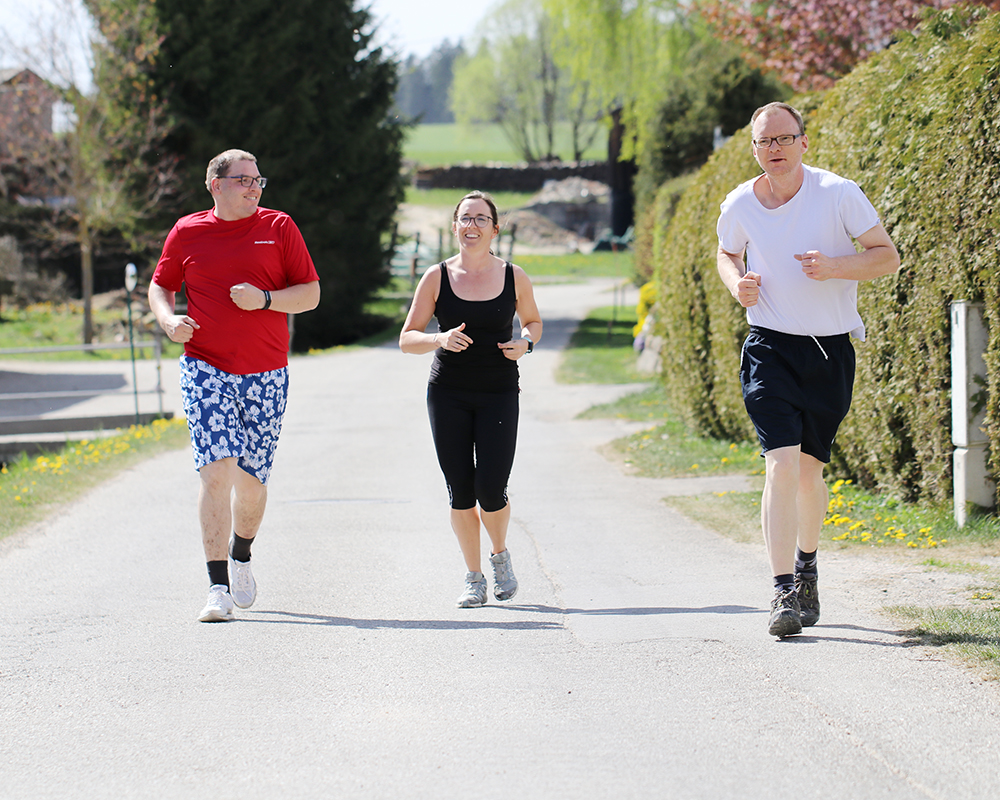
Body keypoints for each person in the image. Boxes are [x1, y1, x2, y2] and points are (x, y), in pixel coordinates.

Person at [715, 103, 900, 638]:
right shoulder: (740, 203)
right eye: (763, 141)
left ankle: (807, 564)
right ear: (754, 149)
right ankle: (781, 592)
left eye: (783, 138)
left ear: (803, 142)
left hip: (828, 351)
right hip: (768, 345)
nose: (774, 148)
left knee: (810, 473)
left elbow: (887, 256)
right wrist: (737, 284)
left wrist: (835, 268)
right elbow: (727, 253)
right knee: (781, 464)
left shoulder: (838, 193)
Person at [148, 149, 320, 622]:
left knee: (251, 484)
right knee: (216, 471)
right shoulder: (188, 231)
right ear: (215, 185)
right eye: (243, 179)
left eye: (258, 179)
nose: (254, 187)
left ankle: (241, 552)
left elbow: (310, 294)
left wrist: (264, 299)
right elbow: (160, 285)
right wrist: (167, 320)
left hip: (266, 373)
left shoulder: (279, 228)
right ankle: (217, 587)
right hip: (205, 366)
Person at [400, 190, 542, 607]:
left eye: (481, 219)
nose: (472, 226)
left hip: (499, 391)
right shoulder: (436, 277)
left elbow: (533, 322)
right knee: (460, 489)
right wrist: (438, 338)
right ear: (454, 227)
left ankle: (500, 556)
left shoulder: (514, 276)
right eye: (465, 218)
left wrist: (527, 344)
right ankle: (474, 576)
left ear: (495, 229)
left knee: (491, 487)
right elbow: (407, 338)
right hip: (448, 393)